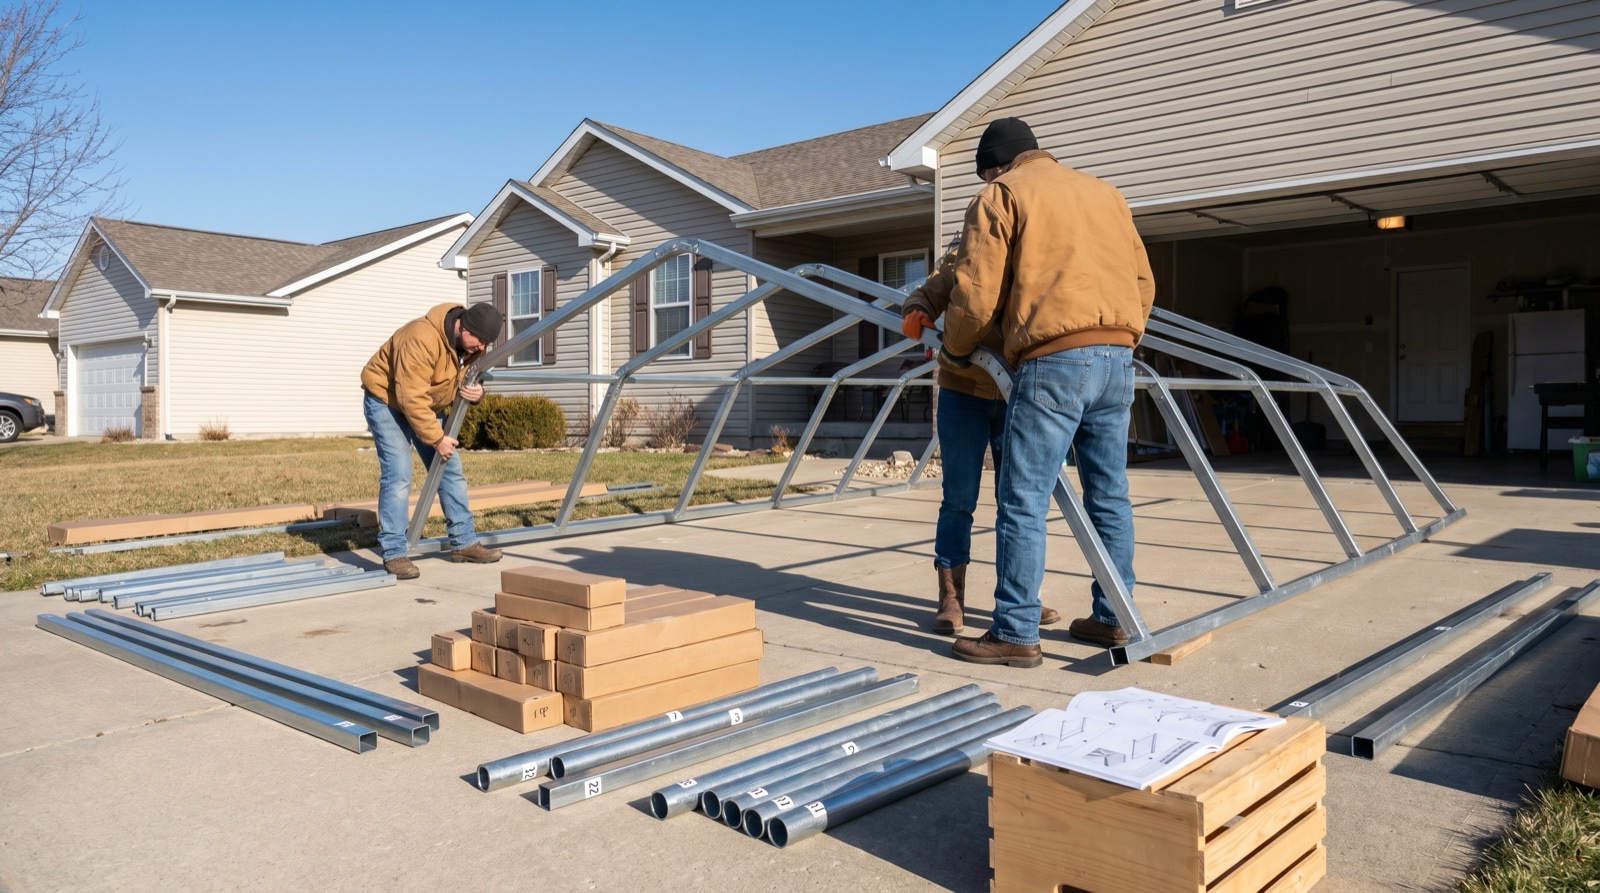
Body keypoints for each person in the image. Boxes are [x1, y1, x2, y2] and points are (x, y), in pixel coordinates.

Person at [939, 117, 1155, 668]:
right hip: (1118, 356)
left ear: (996, 165)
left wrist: (956, 348)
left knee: (1023, 497)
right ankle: (1113, 616)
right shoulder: (1106, 194)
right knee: (1108, 494)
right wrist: (1119, 337)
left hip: (1052, 358)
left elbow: (977, 291)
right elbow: (1143, 283)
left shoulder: (1002, 194)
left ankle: (1014, 631)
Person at [901, 249, 1060, 635]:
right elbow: (936, 285)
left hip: (1016, 392)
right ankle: (951, 598)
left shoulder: (1031, 251)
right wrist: (917, 307)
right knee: (958, 498)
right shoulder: (967, 254)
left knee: (1019, 501)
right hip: (962, 390)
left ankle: (1018, 598)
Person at [360, 302, 507, 579]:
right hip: (387, 401)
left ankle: (463, 542)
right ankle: (394, 553)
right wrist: (437, 438)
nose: (481, 348)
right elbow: (410, 398)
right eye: (477, 340)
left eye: (486, 343)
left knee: (450, 469)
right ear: (462, 326)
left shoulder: (471, 345)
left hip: (424, 403)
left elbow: (464, 379)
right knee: (399, 473)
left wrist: (478, 393)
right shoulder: (421, 338)